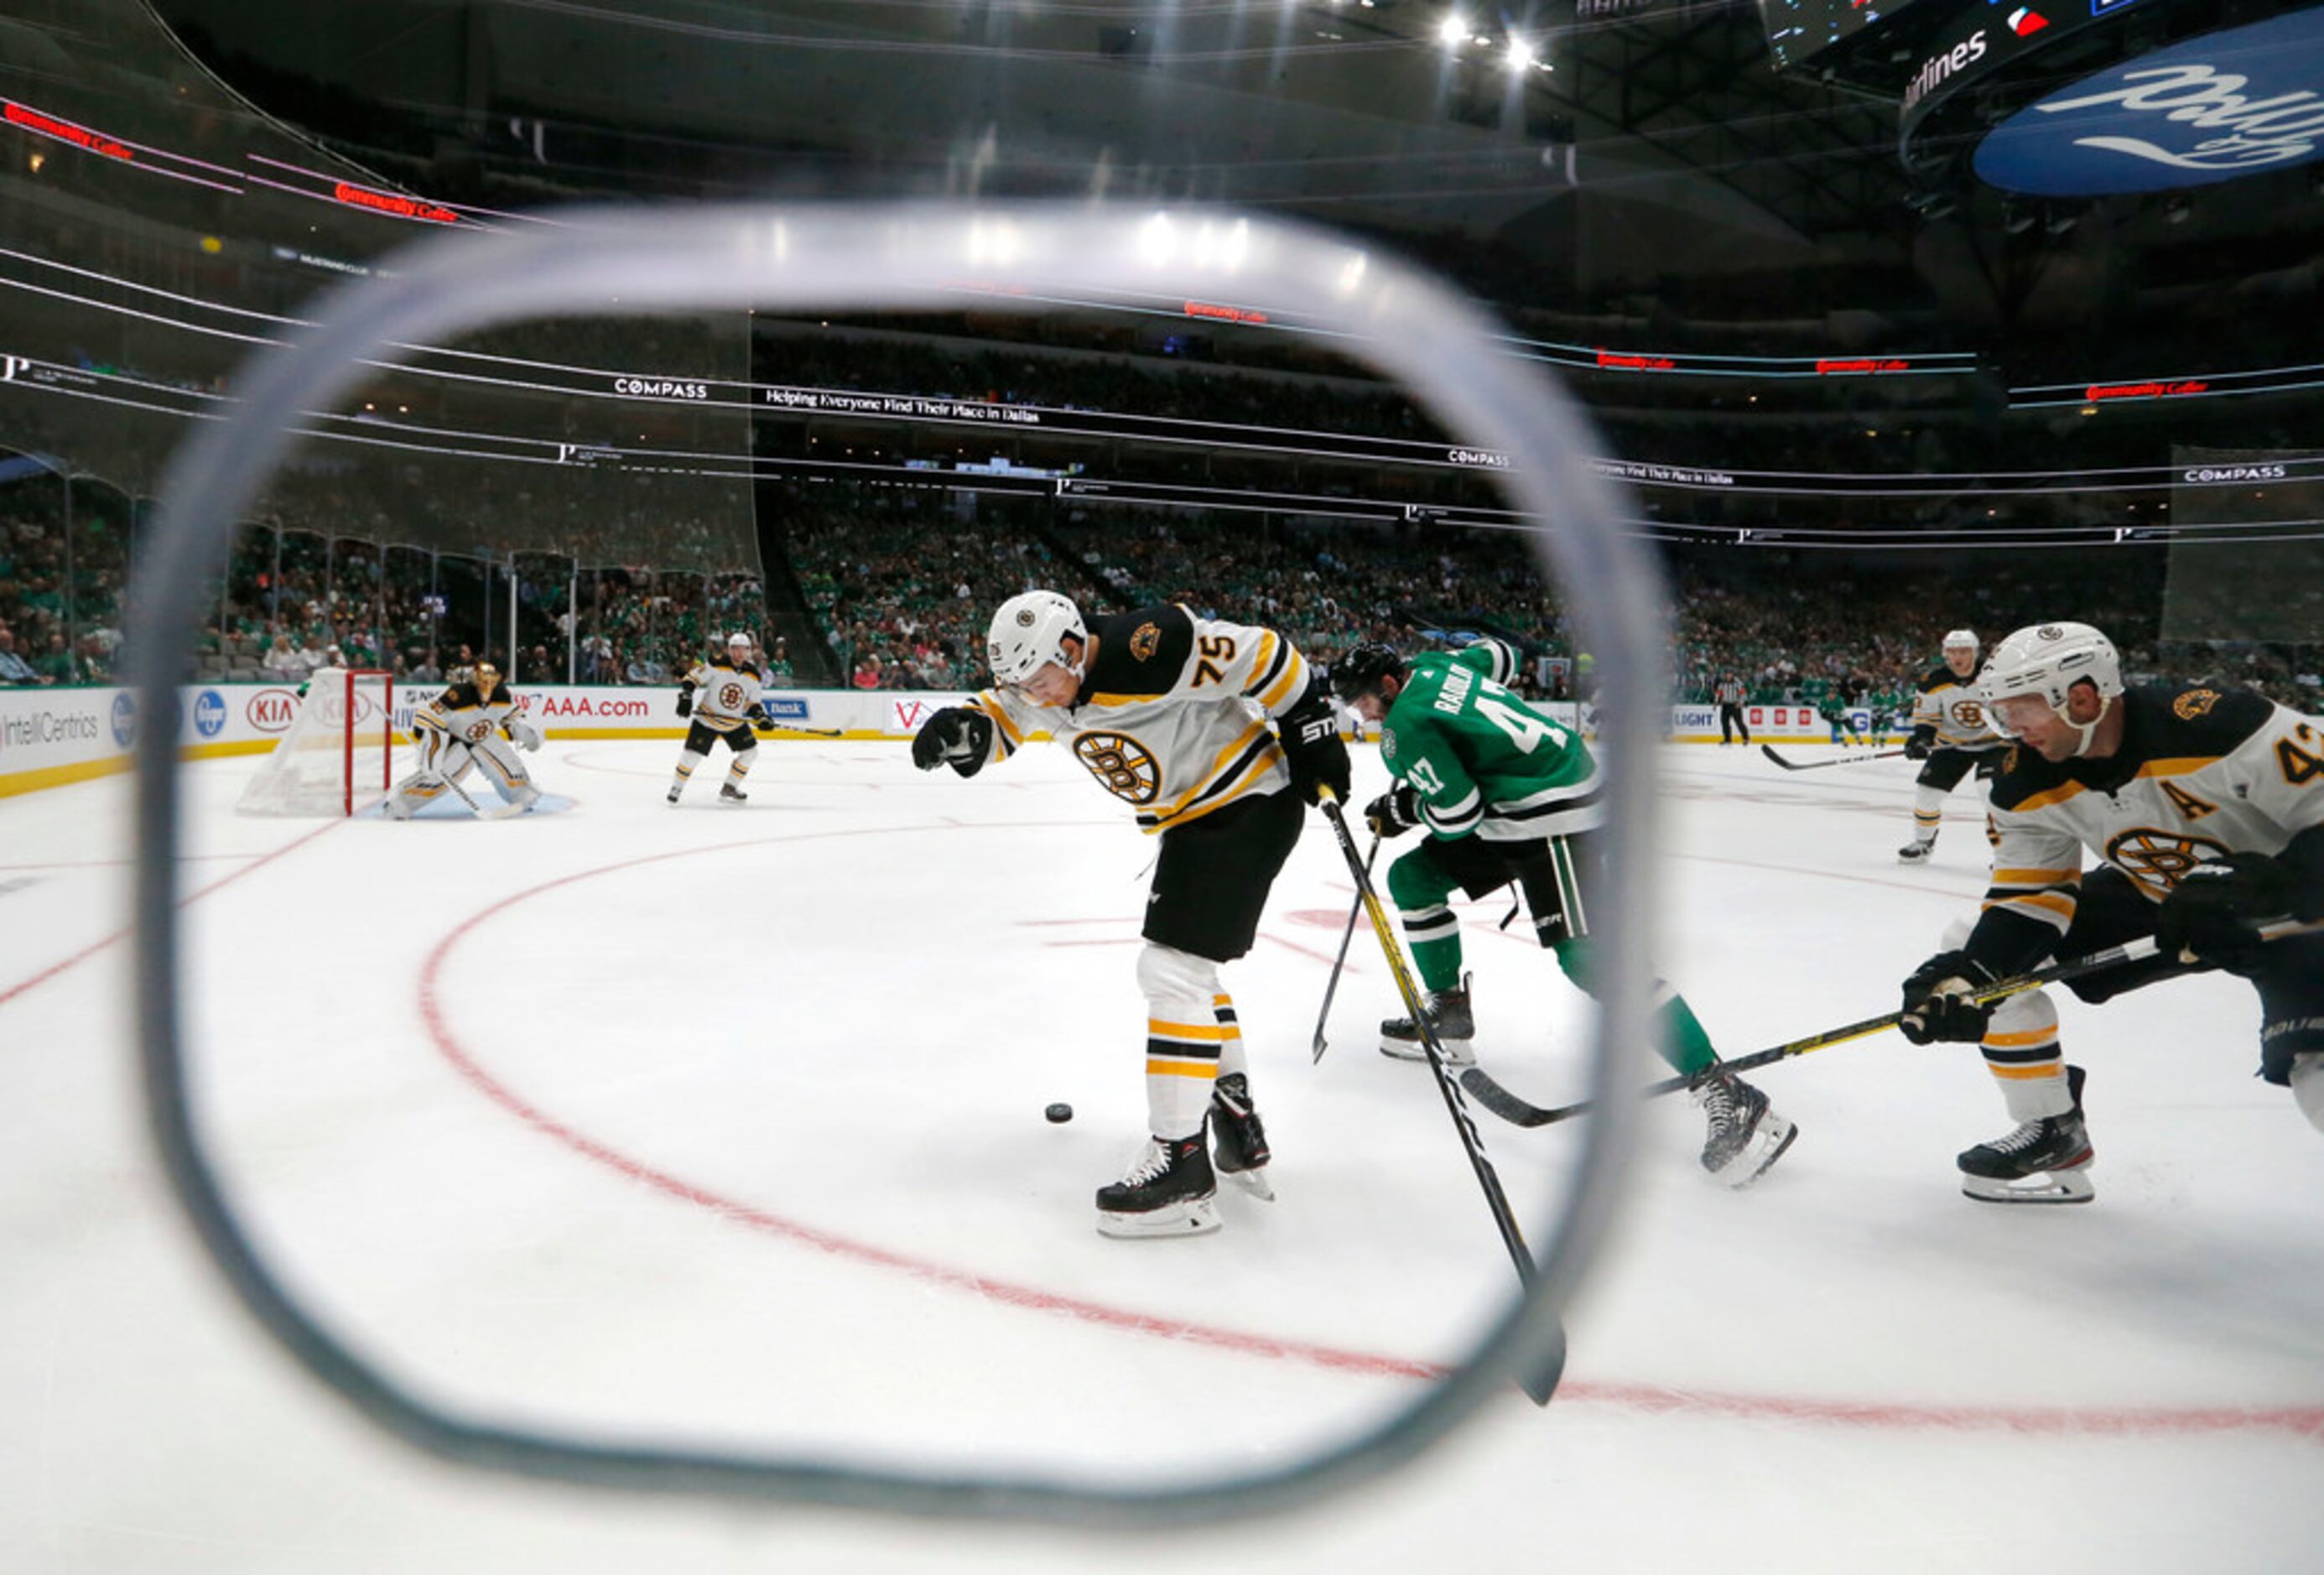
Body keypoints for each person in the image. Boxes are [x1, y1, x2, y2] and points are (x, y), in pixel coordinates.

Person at [910, 590, 1347, 1238]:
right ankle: (1231, 1113)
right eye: (1020, 683)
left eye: (1039, 680)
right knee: (1189, 974)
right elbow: (1007, 713)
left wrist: (1312, 725)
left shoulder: (1150, 648)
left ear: (1070, 647)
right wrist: (965, 726)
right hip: (1198, 822)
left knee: (1172, 973)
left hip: (1245, 805)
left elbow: (1266, 656)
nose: (1035, 695)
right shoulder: (1043, 685)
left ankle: (1181, 1167)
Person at [1334, 642, 1796, 1188]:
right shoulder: (1438, 664)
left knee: (1586, 958)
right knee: (1412, 878)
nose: (1359, 715)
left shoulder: (1404, 729)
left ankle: (1728, 1091)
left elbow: (1457, 815)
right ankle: (1450, 1014)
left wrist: (1402, 806)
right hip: (1527, 801)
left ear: (1388, 686)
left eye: (1362, 702)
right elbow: (1502, 654)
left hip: (1553, 819)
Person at [1897, 621, 2324, 1203]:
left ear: (2080, 697)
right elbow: (2028, 898)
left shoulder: (2222, 723)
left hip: (2297, 911)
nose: (2010, 729)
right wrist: (1971, 979)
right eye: (2000, 713)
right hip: (2165, 902)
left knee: (2316, 1076)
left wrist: (2261, 890)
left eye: (2018, 710)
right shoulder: (2023, 782)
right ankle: (2052, 1127)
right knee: (1973, 945)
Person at [1898, 629, 2007, 864]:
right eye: (1952, 651)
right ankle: (1923, 842)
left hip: (1994, 744)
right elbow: (1926, 718)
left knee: (1990, 791)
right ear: (1945, 654)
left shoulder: (1995, 676)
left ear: (1975, 653)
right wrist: (1921, 739)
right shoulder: (1932, 681)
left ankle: (2006, 852)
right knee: (1927, 795)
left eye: (1964, 651)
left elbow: (2010, 708)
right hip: (1952, 746)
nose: (1958, 657)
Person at [385, 661, 543, 819]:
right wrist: (434, 747)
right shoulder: (458, 694)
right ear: (475, 680)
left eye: (491, 681)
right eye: (483, 680)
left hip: (484, 739)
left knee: (509, 765)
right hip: (455, 741)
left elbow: (512, 717)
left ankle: (522, 793)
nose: (487, 685)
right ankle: (400, 801)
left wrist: (524, 730)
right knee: (439, 776)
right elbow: (427, 715)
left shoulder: (502, 694)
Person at [668, 632, 777, 805]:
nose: (738, 653)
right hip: (708, 719)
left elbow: (752, 703)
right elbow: (692, 678)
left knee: (750, 753)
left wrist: (760, 716)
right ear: (729, 650)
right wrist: (686, 697)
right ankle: (676, 787)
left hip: (733, 722)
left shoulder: (753, 674)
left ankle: (730, 787)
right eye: (734, 649)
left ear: (749, 651)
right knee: (692, 755)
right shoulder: (716, 663)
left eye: (743, 650)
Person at [1713, 672, 1748, 746]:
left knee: (1739, 722)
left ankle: (1745, 738)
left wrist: (1740, 703)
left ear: (1733, 675)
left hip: (1735, 704)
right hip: (1725, 705)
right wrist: (1716, 702)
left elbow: (1743, 693)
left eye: (1730, 674)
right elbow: (1719, 693)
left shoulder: (1737, 683)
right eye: (1727, 674)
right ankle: (1727, 740)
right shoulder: (1722, 683)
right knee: (1724, 722)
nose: (1728, 675)